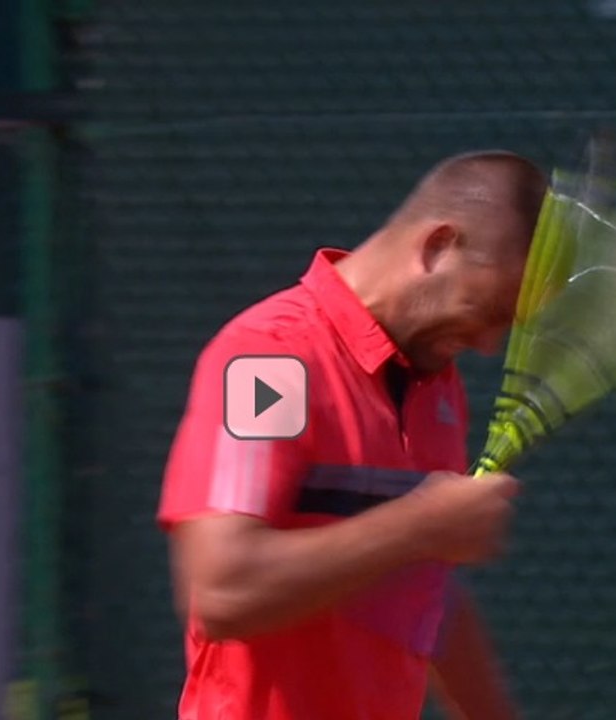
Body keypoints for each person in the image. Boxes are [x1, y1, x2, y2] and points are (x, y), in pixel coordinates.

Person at [158, 150, 548, 720]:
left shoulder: (439, 388)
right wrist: (420, 526)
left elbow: (420, 594)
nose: (488, 346)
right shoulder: (272, 362)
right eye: (485, 311)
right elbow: (224, 591)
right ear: (437, 247)